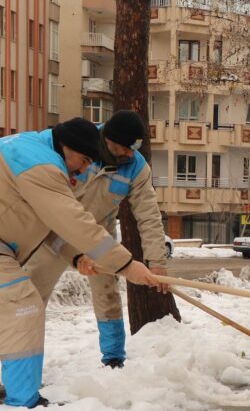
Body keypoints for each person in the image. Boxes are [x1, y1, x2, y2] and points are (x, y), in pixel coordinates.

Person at [0, 118, 162, 408]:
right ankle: (24, 404)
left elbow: (52, 224)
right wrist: (127, 265)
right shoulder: (44, 165)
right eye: (81, 161)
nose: (81, 171)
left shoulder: (31, 148)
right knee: (23, 308)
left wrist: (77, 257)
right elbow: (70, 220)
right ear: (67, 147)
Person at [24, 110, 169, 369]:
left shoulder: (136, 167)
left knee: (108, 296)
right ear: (109, 139)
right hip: (54, 232)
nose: (130, 155)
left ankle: (114, 358)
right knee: (32, 297)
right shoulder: (79, 145)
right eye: (125, 148)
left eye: (134, 148)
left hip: (98, 237)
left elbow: (148, 215)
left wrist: (157, 261)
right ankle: (23, 360)